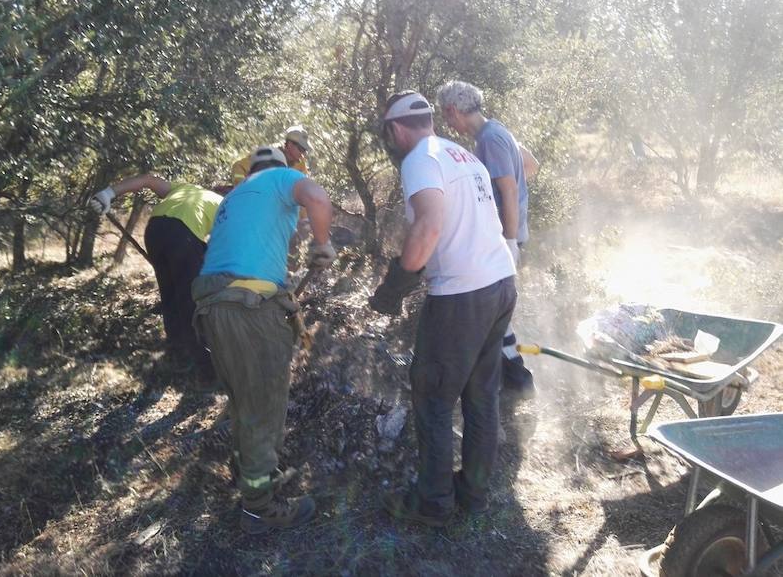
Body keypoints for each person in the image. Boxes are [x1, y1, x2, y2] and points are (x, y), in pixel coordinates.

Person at [369, 90, 517, 527]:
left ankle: (433, 502)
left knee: (432, 396)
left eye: (389, 135)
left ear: (396, 130)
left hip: (461, 297)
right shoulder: (461, 155)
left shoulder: (419, 158)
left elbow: (429, 225)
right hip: (500, 284)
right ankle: (473, 494)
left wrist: (396, 282)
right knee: (480, 397)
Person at [192, 145, 336, 534]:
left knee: (243, 398)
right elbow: (318, 197)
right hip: (250, 310)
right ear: (279, 167)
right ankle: (259, 508)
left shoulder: (233, 197)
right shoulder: (280, 178)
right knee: (265, 404)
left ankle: (249, 470)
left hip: (214, 308)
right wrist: (322, 243)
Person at [437, 80, 537, 398]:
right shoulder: (498, 131)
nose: (449, 125)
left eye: (446, 117)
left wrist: (508, 239)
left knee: (492, 312)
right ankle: (511, 381)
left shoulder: (490, 139)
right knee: (495, 312)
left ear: (454, 110)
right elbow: (531, 165)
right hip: (511, 233)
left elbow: (507, 190)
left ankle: (517, 380)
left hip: (505, 237)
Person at [90, 175, 222, 383]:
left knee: (170, 297)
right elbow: (221, 246)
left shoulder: (185, 188)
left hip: (155, 230)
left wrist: (109, 193)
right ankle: (206, 372)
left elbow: (148, 179)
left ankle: (177, 357)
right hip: (183, 234)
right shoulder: (223, 204)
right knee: (191, 300)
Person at [230, 126, 311, 187]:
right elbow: (239, 166)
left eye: (304, 151)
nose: (302, 154)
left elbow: (304, 186)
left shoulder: (301, 165)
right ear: (290, 144)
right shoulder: (269, 153)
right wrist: (243, 187)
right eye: (300, 149)